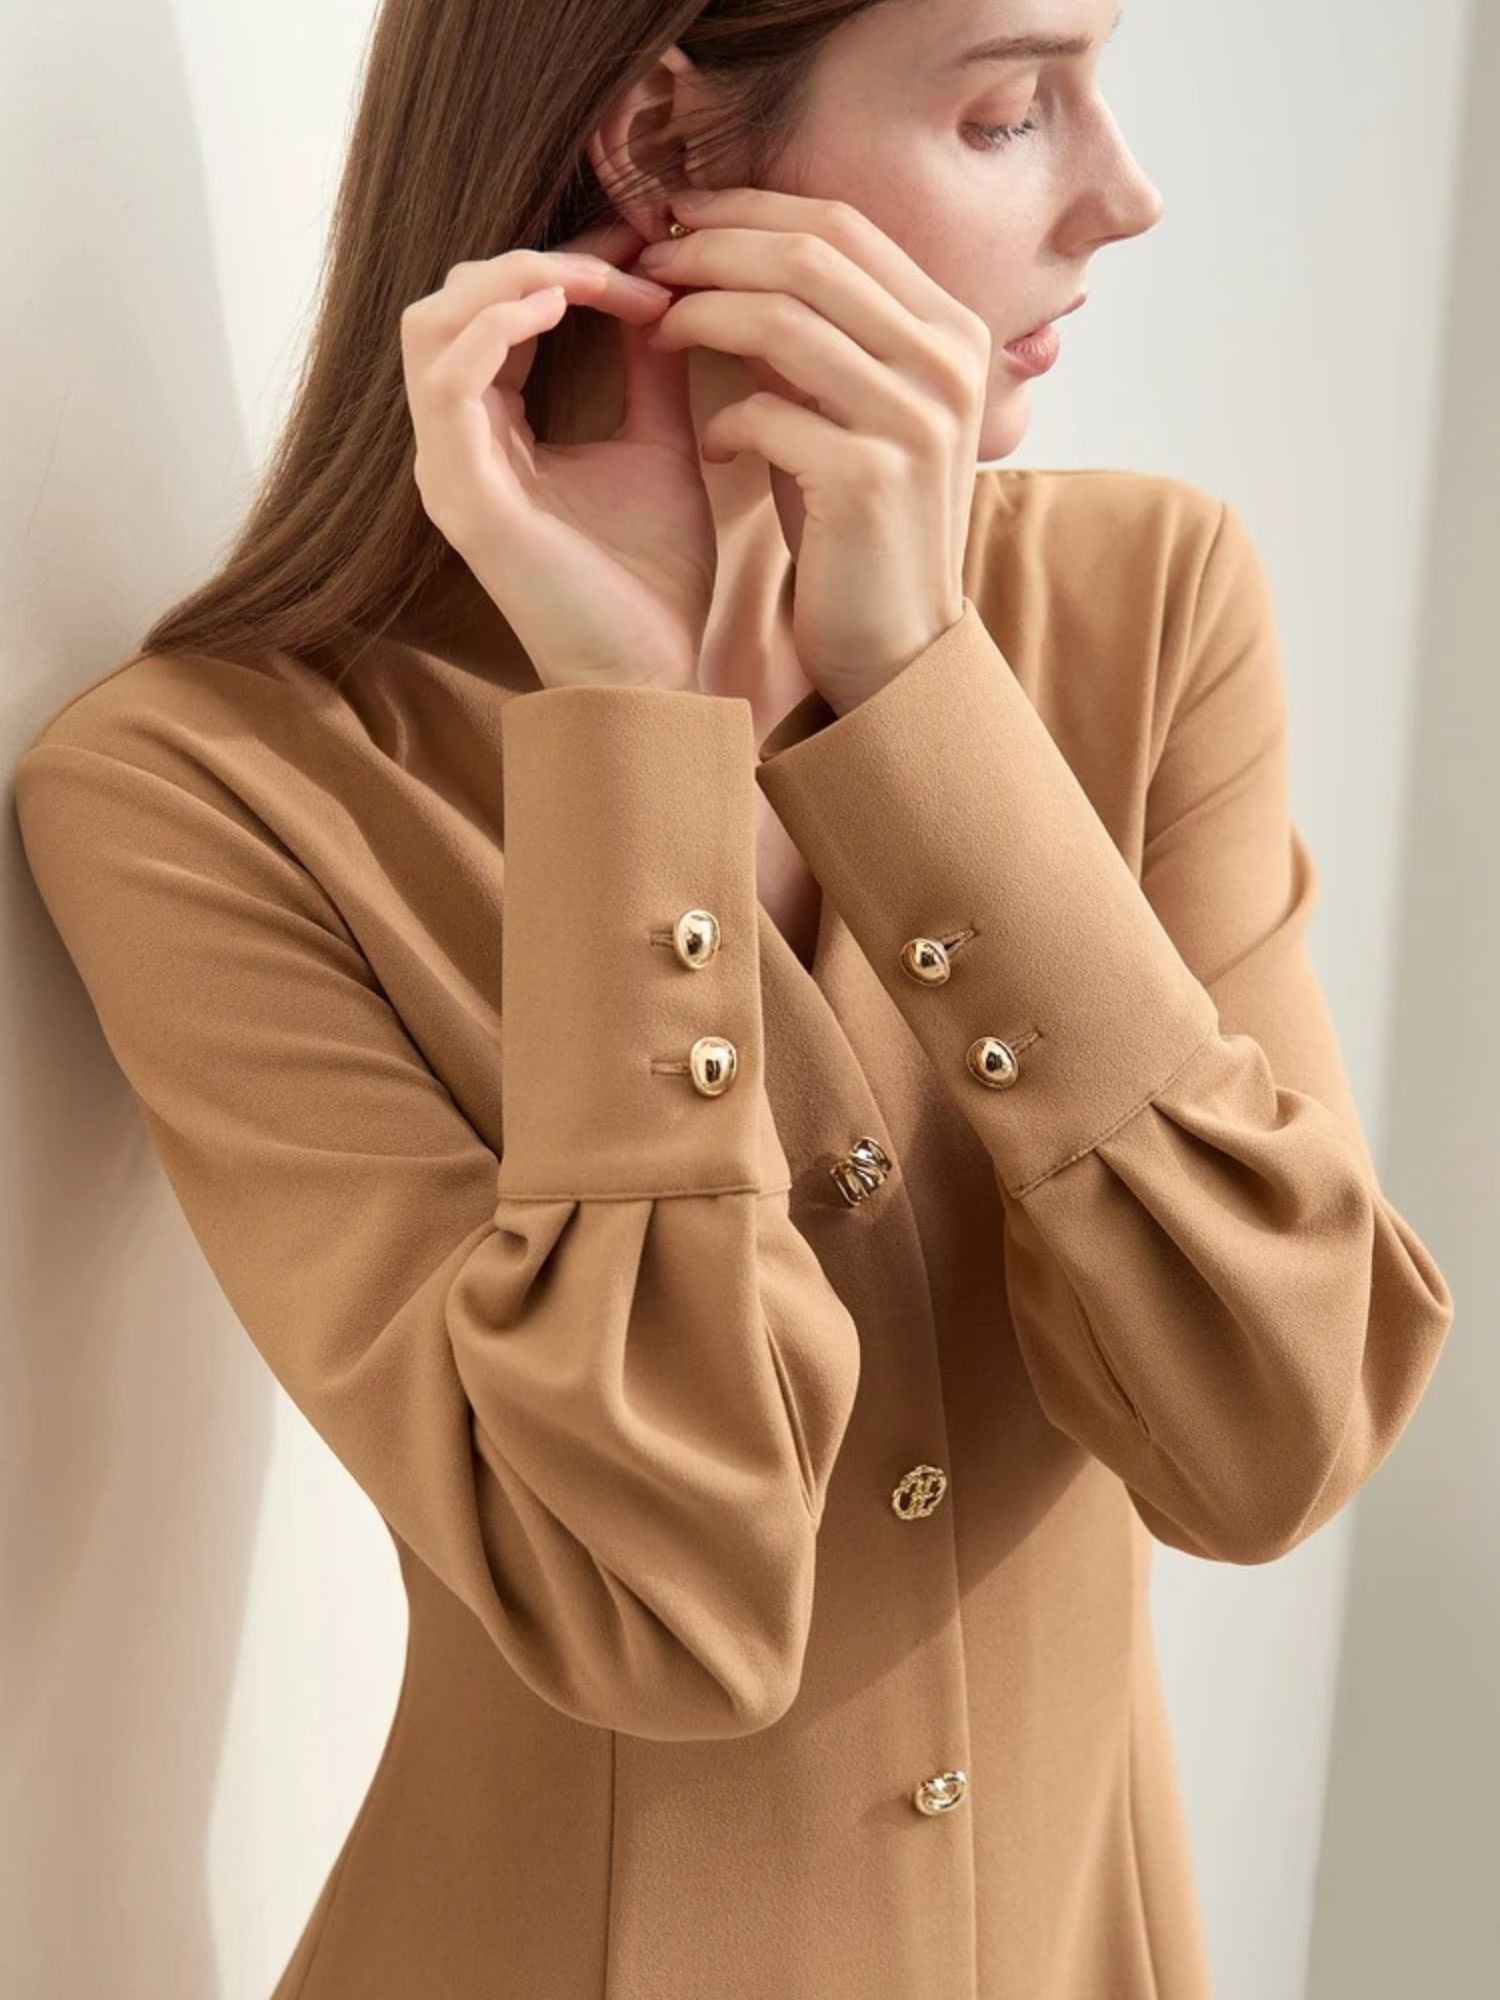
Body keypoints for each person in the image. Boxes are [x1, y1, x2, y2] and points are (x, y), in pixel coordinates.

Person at [12, 3, 1455, 1996]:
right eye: (1012, 109)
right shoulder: (205, 796)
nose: (1126, 200)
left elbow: (1273, 1433)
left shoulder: (1150, 611)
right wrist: (633, 751)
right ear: (661, 144)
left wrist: (922, 697)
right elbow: (652, 1604)